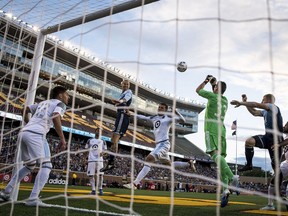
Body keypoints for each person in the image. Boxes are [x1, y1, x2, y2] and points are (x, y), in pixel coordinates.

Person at [0, 86, 69, 206]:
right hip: (37, 134)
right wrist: (63, 139)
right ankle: (33, 198)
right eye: (67, 95)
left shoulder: (43, 103)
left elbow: (24, 109)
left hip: (24, 133)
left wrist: (28, 123)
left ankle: (6, 192)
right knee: (46, 166)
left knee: (29, 166)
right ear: (60, 95)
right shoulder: (60, 104)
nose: (68, 97)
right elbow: (56, 116)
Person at [123, 102, 196, 190]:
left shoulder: (168, 118)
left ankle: (135, 183)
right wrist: (130, 113)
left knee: (148, 159)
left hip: (164, 144)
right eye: (159, 107)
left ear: (165, 110)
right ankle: (188, 163)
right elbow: (143, 117)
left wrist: (175, 112)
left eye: (162, 108)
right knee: (169, 165)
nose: (159, 109)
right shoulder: (155, 118)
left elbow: (183, 120)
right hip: (159, 145)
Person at [196, 75, 239, 208]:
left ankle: (233, 178)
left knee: (214, 155)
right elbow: (216, 89)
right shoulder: (224, 99)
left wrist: (206, 81)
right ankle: (225, 190)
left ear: (217, 89)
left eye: (215, 86)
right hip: (222, 130)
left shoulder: (213, 96)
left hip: (211, 128)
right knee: (221, 161)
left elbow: (197, 90)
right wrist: (214, 84)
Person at [230, 94, 283, 172]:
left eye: (263, 99)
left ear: (269, 100)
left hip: (276, 141)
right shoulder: (265, 111)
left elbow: (255, 104)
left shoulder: (273, 107)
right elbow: (254, 112)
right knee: (249, 141)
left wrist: (241, 103)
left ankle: (278, 182)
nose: (261, 101)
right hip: (267, 137)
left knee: (276, 168)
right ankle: (249, 165)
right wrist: (245, 103)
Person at [100, 79, 132, 172]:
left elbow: (125, 99)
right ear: (121, 84)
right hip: (120, 116)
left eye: (127, 84)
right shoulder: (121, 93)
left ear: (129, 85)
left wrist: (120, 101)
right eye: (124, 84)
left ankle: (111, 162)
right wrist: (119, 103)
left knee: (115, 139)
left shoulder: (128, 92)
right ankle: (110, 157)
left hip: (123, 116)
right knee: (113, 139)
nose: (125, 85)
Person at [260, 122, 288, 210]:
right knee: (273, 180)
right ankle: (270, 204)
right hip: (287, 163)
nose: (284, 126)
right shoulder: (285, 137)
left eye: (286, 125)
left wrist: (279, 144)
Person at [85, 127, 107, 196]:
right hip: (91, 160)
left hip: (100, 160)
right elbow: (86, 149)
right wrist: (85, 159)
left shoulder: (103, 141)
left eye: (100, 131)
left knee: (100, 175)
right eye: (97, 130)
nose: (98, 131)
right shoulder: (90, 140)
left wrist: (102, 153)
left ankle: (100, 189)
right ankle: (93, 190)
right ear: (95, 131)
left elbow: (105, 151)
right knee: (91, 175)